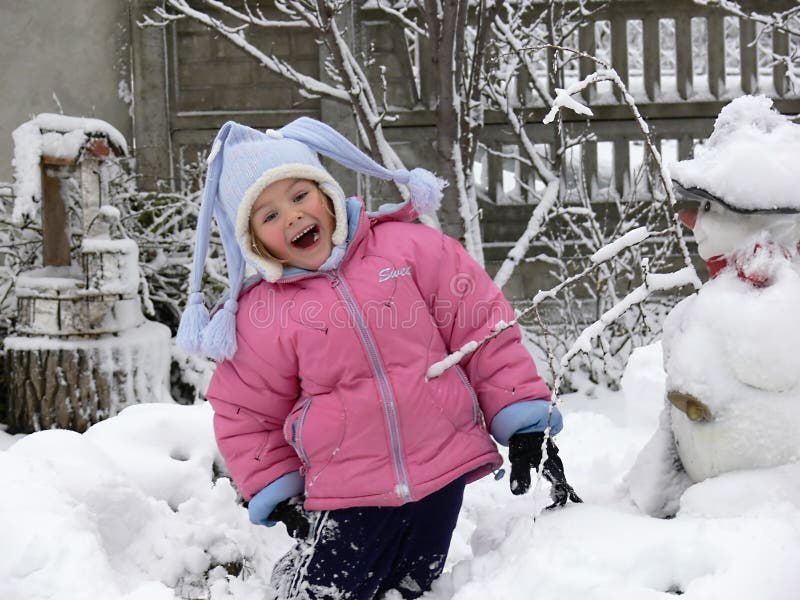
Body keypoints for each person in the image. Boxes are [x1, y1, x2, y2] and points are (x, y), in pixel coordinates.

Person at [177, 117, 581, 600]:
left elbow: (483, 330)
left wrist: (523, 423)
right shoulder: (262, 316)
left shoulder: (410, 250)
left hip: (442, 469)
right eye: (268, 215)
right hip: (347, 491)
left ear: (326, 194)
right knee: (331, 592)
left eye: (300, 196)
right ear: (255, 243)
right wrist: (278, 490)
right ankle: (295, 583)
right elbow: (247, 412)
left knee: (413, 586)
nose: (291, 216)